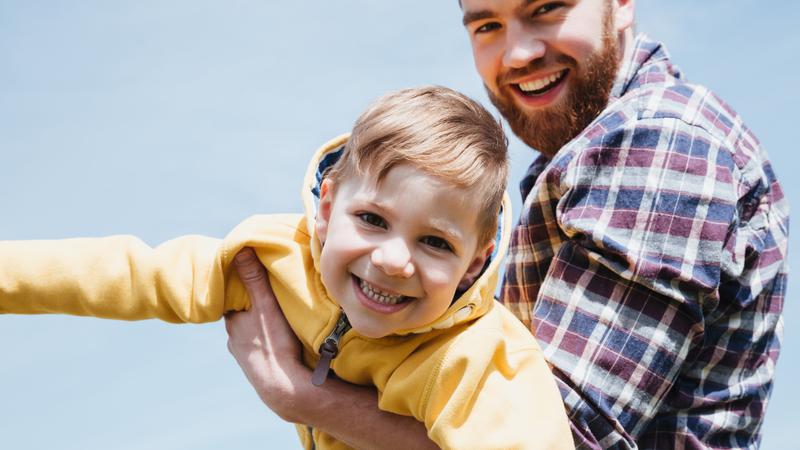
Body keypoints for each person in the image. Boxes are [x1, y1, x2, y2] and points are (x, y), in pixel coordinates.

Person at [225, 0, 789, 448]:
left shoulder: (656, 144)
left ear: (620, 3)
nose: (516, 53)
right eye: (487, 25)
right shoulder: (580, 157)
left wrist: (303, 398)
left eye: (547, 8)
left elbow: (555, 439)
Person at [0, 86, 573, 449]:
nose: (394, 260)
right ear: (327, 208)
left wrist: (303, 400)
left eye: (435, 243)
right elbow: (132, 275)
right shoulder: (274, 258)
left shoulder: (483, 359)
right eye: (372, 220)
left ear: (475, 261)